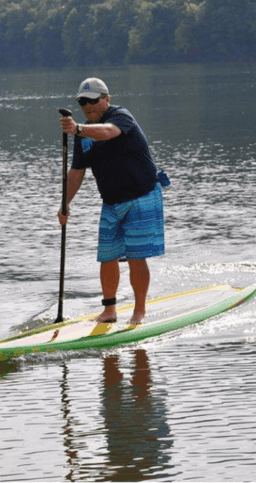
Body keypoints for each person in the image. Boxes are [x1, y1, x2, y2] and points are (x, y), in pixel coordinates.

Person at [58, 77, 165, 325]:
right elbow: (76, 173)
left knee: (136, 255)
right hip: (111, 201)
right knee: (107, 256)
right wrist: (65, 204)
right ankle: (109, 311)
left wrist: (77, 129)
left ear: (107, 99)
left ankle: (139, 312)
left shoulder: (121, 117)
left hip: (141, 195)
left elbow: (108, 132)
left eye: (93, 101)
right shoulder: (82, 134)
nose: (88, 107)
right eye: (83, 102)